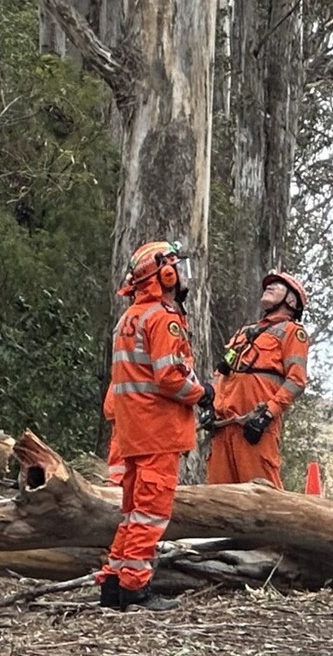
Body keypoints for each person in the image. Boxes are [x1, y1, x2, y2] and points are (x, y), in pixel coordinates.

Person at [98, 240, 211, 611]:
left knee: (133, 512)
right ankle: (134, 588)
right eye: (177, 269)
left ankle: (113, 582)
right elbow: (170, 378)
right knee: (151, 513)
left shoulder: (128, 319)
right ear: (164, 274)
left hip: (133, 432)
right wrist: (203, 393)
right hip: (159, 431)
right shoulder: (162, 319)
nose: (181, 277)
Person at [207, 270, 312, 487]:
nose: (269, 286)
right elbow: (222, 373)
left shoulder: (292, 332)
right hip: (223, 428)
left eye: (278, 285)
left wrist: (267, 415)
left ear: (291, 300)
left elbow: (296, 381)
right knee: (219, 498)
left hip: (255, 427)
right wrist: (209, 407)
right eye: (268, 284)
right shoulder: (244, 333)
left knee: (263, 498)